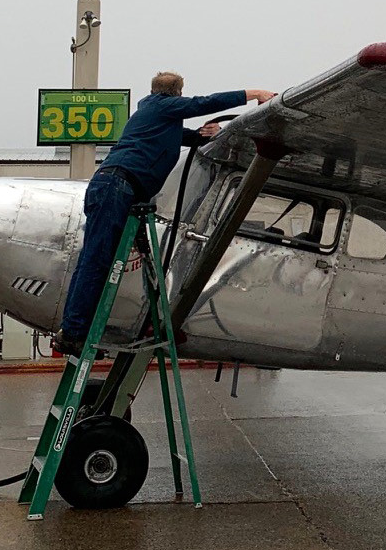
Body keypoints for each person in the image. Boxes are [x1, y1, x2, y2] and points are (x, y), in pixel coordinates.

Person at [53, 72, 276, 354]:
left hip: (116, 188)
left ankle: (74, 330)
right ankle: (74, 333)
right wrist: (253, 94)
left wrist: (204, 135)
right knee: (96, 261)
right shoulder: (160, 106)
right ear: (177, 94)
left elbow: (186, 138)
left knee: (94, 259)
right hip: (117, 187)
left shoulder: (157, 120)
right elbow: (202, 104)